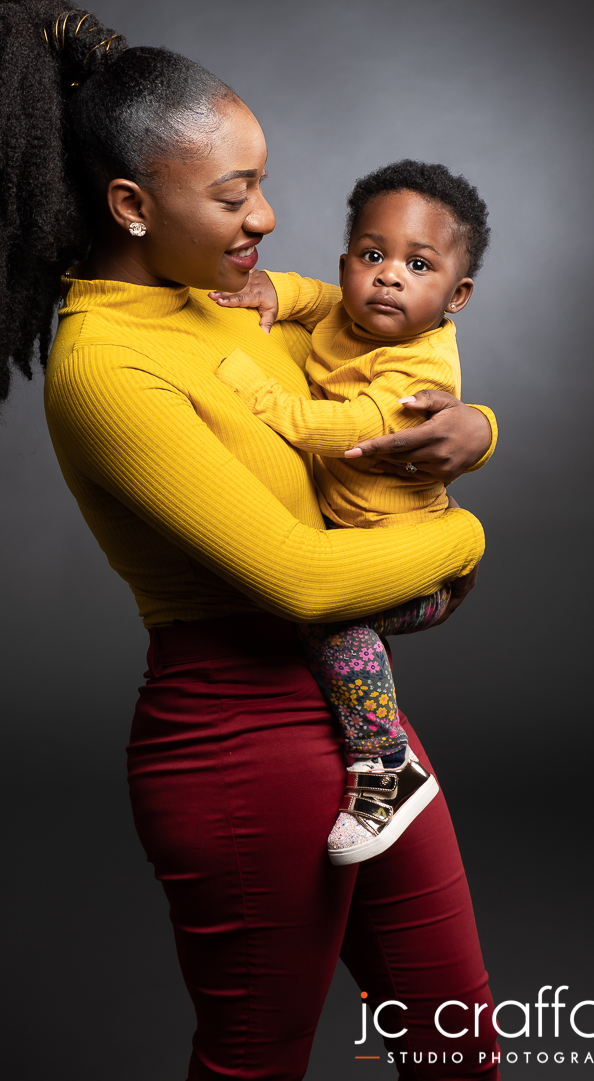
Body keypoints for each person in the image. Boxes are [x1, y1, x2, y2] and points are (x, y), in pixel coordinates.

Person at [0, 0, 501, 1079]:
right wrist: (463, 543)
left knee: (459, 1042)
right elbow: (298, 579)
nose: (266, 218)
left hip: (365, 734)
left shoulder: (232, 299)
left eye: (261, 184)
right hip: (240, 748)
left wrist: (477, 427)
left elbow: (381, 389)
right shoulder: (106, 367)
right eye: (235, 195)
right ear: (132, 205)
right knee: (256, 1063)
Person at [208, 160, 488, 867]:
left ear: (455, 296)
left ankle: (385, 762)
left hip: (417, 567)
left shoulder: (421, 368)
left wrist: (259, 397)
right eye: (371, 255)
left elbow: (352, 429)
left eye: (418, 265)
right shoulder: (350, 311)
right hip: (370, 549)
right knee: (334, 630)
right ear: (347, 265)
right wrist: (273, 288)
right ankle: (368, 726)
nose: (388, 276)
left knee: (331, 623)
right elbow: (317, 298)